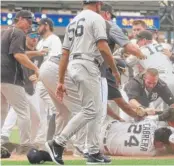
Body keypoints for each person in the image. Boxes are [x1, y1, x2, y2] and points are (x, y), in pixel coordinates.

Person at [44, 0, 120, 165]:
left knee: (95, 109)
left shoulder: (72, 21)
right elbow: (103, 46)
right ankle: (58, 142)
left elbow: (64, 53)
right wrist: (114, 69)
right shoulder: (96, 18)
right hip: (88, 64)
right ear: (98, 4)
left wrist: (61, 80)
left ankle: (93, 152)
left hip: (74, 64)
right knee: (90, 110)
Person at [1, 28, 46, 153]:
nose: (34, 39)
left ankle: (32, 140)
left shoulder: (38, 54)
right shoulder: (19, 47)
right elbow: (22, 54)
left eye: (36, 36)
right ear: (25, 37)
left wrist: (37, 75)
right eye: (31, 36)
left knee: (36, 116)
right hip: (17, 84)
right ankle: (6, 135)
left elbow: (38, 69)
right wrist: (38, 53)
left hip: (30, 88)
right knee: (14, 111)